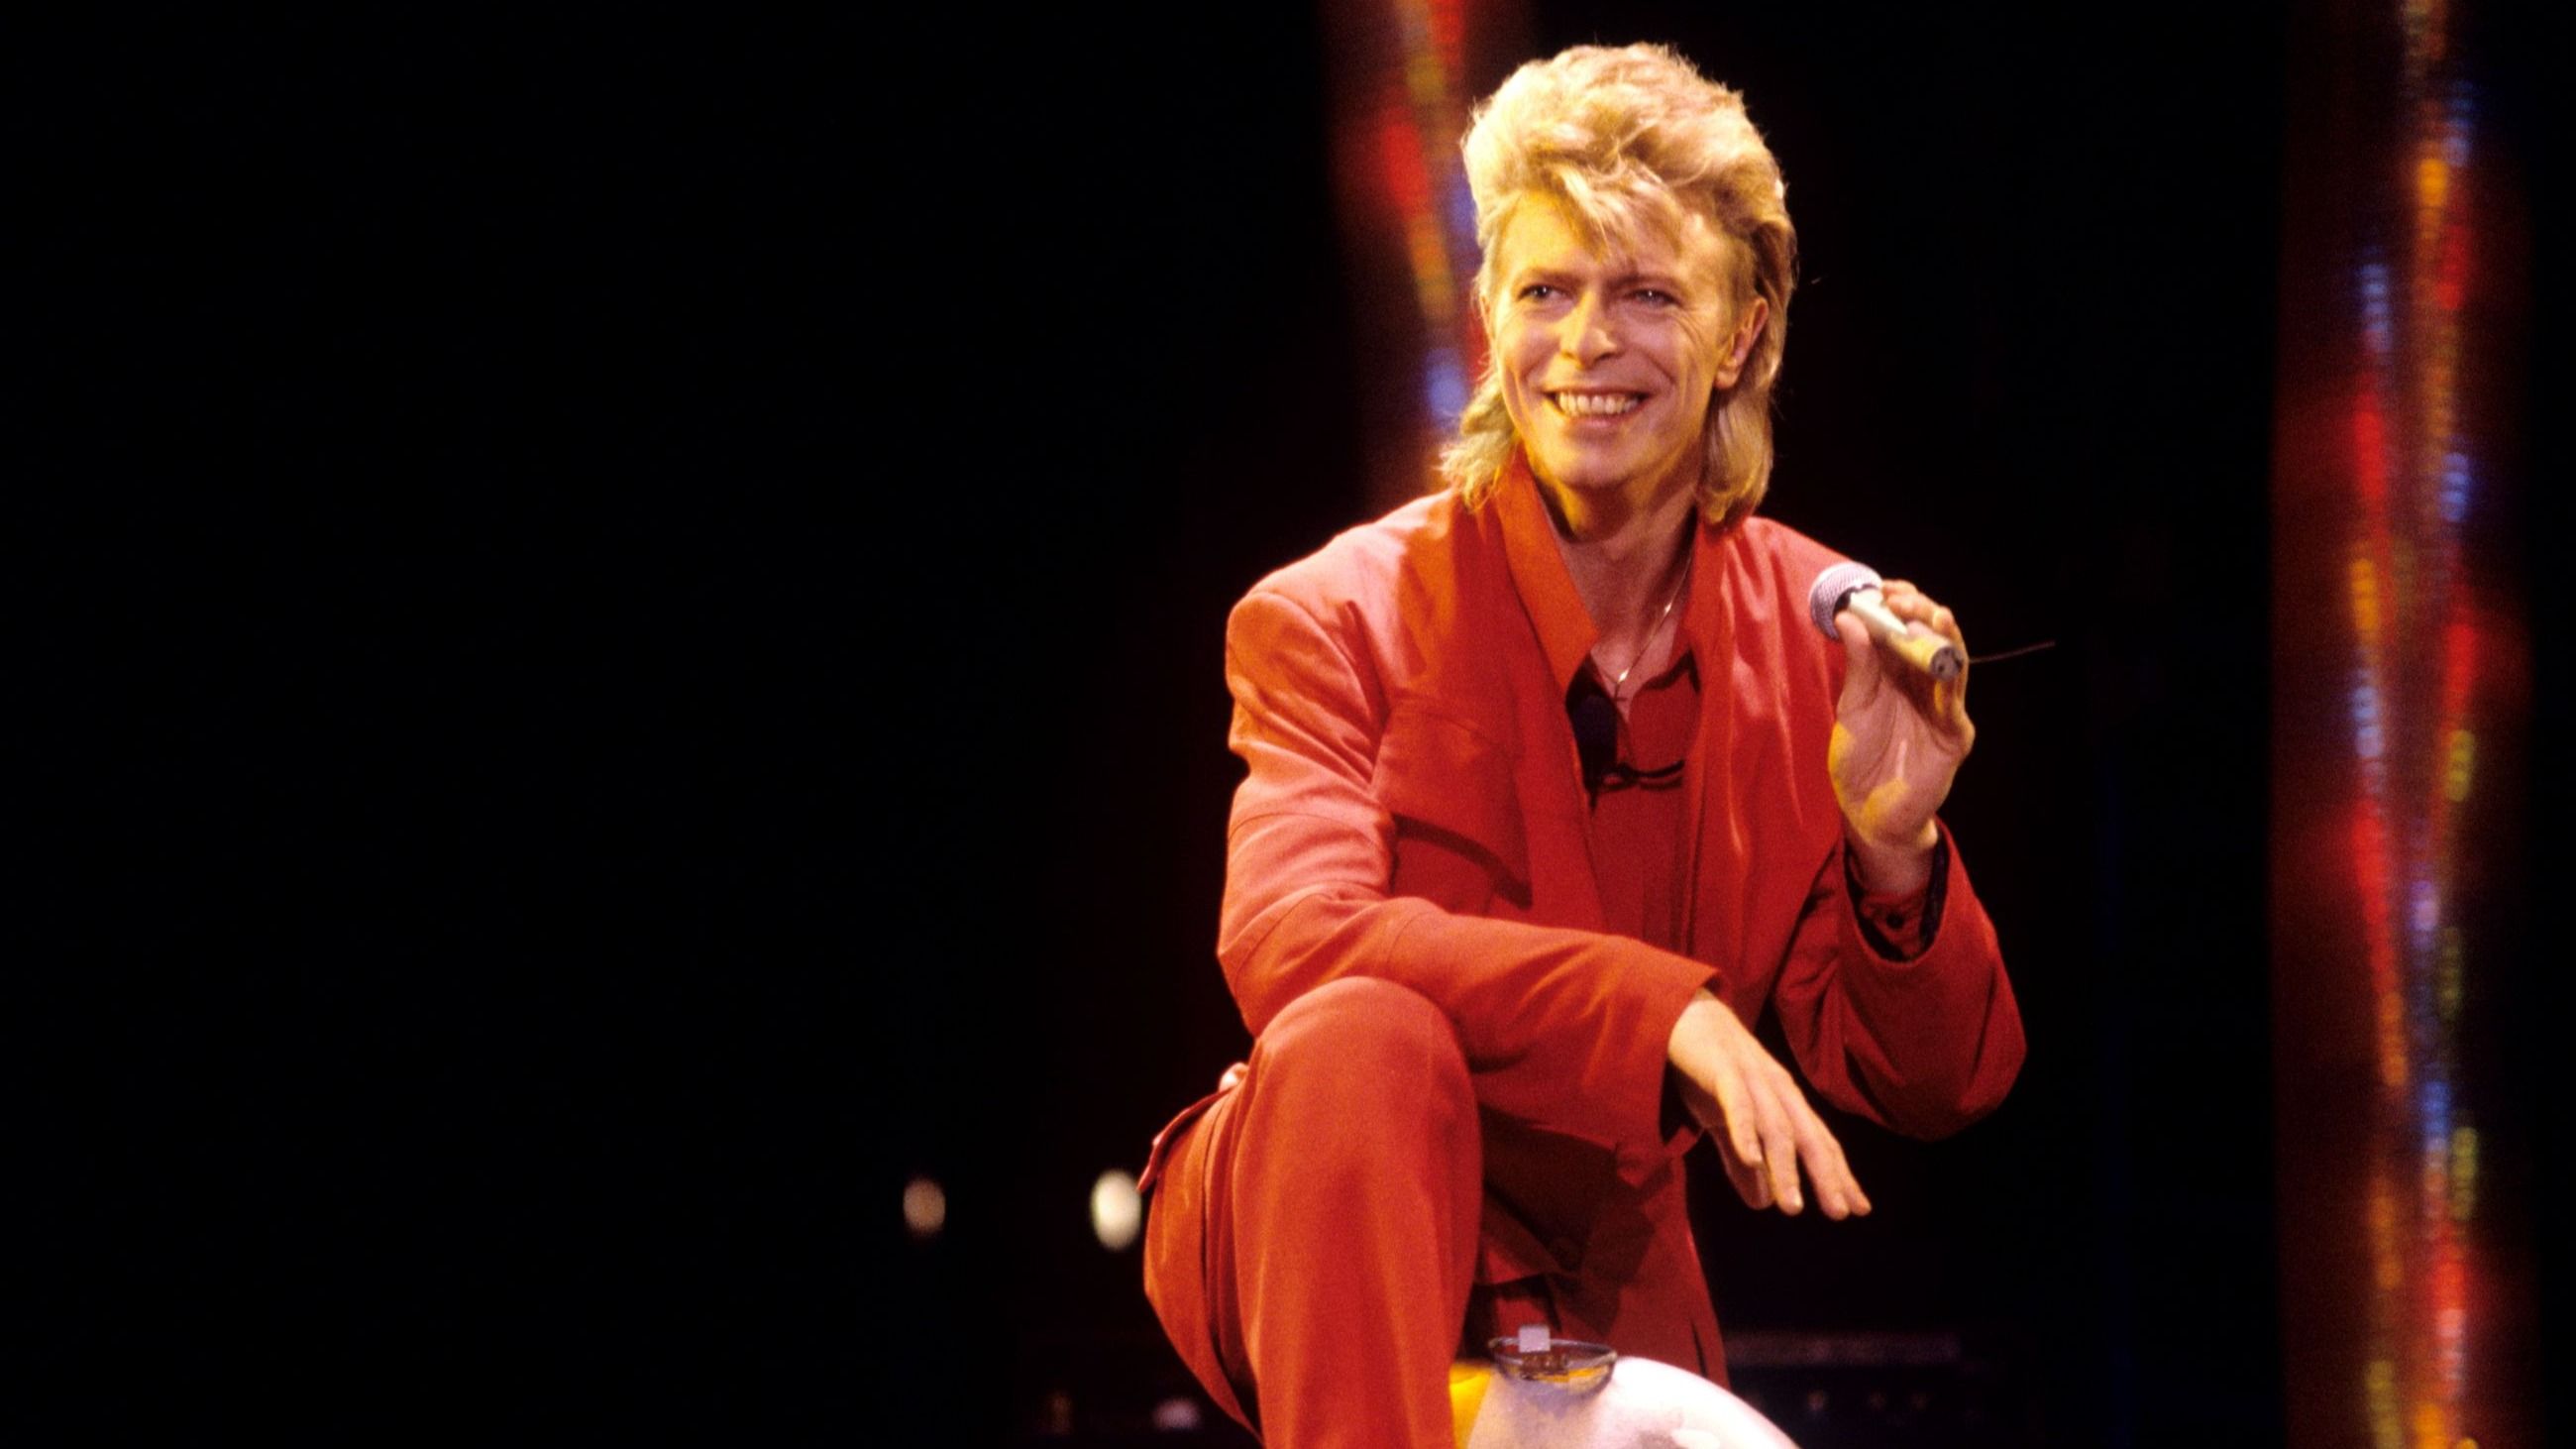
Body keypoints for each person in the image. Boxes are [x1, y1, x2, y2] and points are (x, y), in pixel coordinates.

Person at [1138, 43, 2024, 1449]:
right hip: (1324, 1204)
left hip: (1597, 1261)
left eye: (1648, 294)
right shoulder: (1333, 612)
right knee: (1365, 1035)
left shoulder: (1815, 637)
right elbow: (1290, 942)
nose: (1585, 343)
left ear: (1742, 337)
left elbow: (1932, 1086)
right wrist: (1659, 1010)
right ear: (1489, 314)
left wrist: (1895, 848)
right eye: (1544, 289)